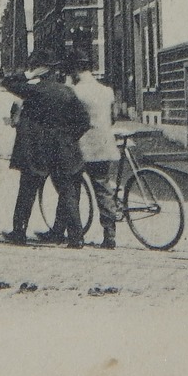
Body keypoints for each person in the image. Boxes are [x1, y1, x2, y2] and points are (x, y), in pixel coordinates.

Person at [1, 51, 90, 247]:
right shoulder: (67, 92)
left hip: (37, 150)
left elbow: (6, 82)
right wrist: (68, 138)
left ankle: (19, 233)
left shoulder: (34, 90)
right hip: (63, 151)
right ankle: (77, 238)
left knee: (27, 190)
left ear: (40, 70)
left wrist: (28, 75)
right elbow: (84, 121)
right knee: (67, 192)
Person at [68, 60, 122, 249]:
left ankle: (73, 234)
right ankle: (110, 235)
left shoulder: (75, 91)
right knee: (103, 188)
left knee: (71, 187)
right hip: (105, 145)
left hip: (83, 147)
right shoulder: (107, 91)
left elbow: (72, 120)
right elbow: (113, 118)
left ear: (75, 71)